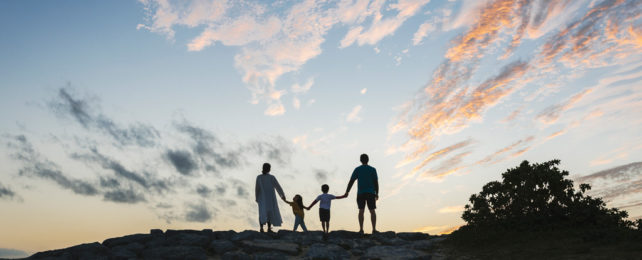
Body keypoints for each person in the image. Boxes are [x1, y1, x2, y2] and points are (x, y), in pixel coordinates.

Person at [344, 154, 379, 234]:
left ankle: (361, 229)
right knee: (372, 210)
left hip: (361, 193)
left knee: (361, 210)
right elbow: (376, 182)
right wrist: (377, 193)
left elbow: (351, 181)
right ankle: (374, 229)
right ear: (368, 160)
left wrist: (347, 191)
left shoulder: (357, 169)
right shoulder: (373, 169)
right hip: (371, 192)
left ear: (360, 160)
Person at [255, 163, 286, 233]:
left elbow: (257, 189)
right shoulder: (267, 177)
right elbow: (278, 186)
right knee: (268, 212)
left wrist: (257, 198)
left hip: (263, 198)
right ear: (268, 169)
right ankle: (265, 228)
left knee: (263, 212)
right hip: (266, 198)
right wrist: (282, 195)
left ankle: (263, 228)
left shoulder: (262, 177)